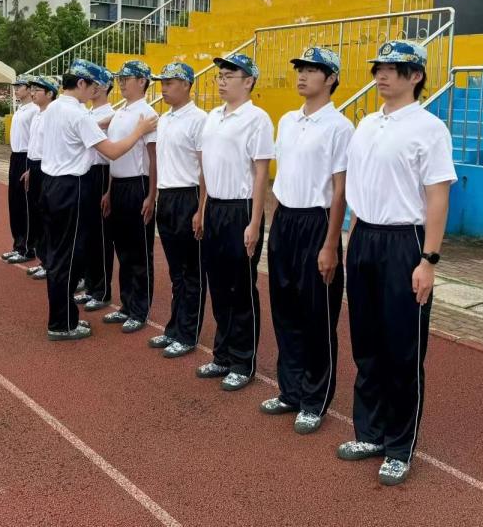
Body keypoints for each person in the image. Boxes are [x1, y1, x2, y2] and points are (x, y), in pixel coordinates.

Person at [336, 39, 456, 486]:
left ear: (416, 76)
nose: (381, 75)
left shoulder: (429, 128)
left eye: (392, 68)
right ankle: (369, 432)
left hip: (405, 241)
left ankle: (399, 447)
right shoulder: (367, 124)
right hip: (364, 237)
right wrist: (350, 239)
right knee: (366, 342)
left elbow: (438, 196)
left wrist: (429, 260)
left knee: (402, 348)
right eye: (378, 68)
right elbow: (359, 187)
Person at [260, 47, 353, 435]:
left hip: (317, 222)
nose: (302, 75)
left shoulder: (340, 127)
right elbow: (282, 176)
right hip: (285, 220)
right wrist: (273, 222)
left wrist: (330, 244)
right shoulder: (287, 120)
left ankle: (315, 399)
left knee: (317, 315)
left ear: (331, 79)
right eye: (300, 69)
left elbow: (340, 189)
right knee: (284, 309)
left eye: (312, 70)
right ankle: (290, 390)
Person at [39, 59, 157, 341]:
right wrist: (138, 131)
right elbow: (112, 152)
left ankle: (68, 318)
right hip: (72, 187)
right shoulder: (78, 114)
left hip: (53, 186)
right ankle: (63, 323)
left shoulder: (55, 107)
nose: (95, 91)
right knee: (69, 257)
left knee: (61, 254)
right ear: (80, 83)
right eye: (92, 86)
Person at [195, 52, 274, 391]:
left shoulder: (257, 119)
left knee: (240, 287)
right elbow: (205, 169)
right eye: (220, 75)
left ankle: (243, 361)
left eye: (230, 75)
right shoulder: (213, 117)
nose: (222, 81)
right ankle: (222, 354)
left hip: (240, 209)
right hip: (214, 207)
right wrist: (201, 209)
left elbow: (261, 174)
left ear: (249, 81)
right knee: (217, 284)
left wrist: (255, 222)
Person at [147, 62, 207, 359]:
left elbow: (205, 168)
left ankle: (187, 333)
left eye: (170, 82)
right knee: (175, 271)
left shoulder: (199, 120)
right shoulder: (165, 119)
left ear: (186, 85)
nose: (164, 88)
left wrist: (201, 208)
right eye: (163, 82)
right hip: (167, 197)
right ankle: (174, 327)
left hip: (189, 197)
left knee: (191, 271)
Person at [99, 60, 159, 334]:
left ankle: (139, 309)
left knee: (139, 251)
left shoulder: (147, 115)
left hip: (138, 185)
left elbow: (153, 158)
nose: (121, 82)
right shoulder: (120, 112)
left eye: (127, 78)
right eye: (120, 78)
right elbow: (114, 154)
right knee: (122, 248)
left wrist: (151, 195)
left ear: (142, 81)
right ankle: (126, 304)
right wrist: (109, 191)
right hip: (119, 185)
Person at [79, 68, 117, 312]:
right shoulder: (88, 113)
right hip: (86, 173)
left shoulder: (111, 114)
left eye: (95, 83)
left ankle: (102, 290)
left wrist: (109, 190)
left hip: (102, 173)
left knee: (102, 236)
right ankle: (91, 285)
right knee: (88, 234)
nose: (91, 87)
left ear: (104, 86)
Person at [2, 75, 39, 265]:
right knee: (15, 203)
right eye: (15, 86)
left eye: (20, 86)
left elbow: (36, 139)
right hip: (15, 157)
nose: (16, 89)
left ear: (29, 88)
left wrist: (31, 167)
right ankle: (18, 245)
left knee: (26, 205)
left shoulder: (34, 110)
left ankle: (28, 248)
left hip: (26, 157)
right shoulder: (20, 108)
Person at [24, 76, 57, 280]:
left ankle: (50, 262)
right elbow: (34, 145)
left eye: (37, 90)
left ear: (50, 93)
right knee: (37, 215)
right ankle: (44, 259)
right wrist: (30, 169)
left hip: (47, 168)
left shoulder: (51, 116)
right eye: (33, 89)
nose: (33, 92)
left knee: (48, 217)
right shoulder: (37, 114)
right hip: (35, 166)